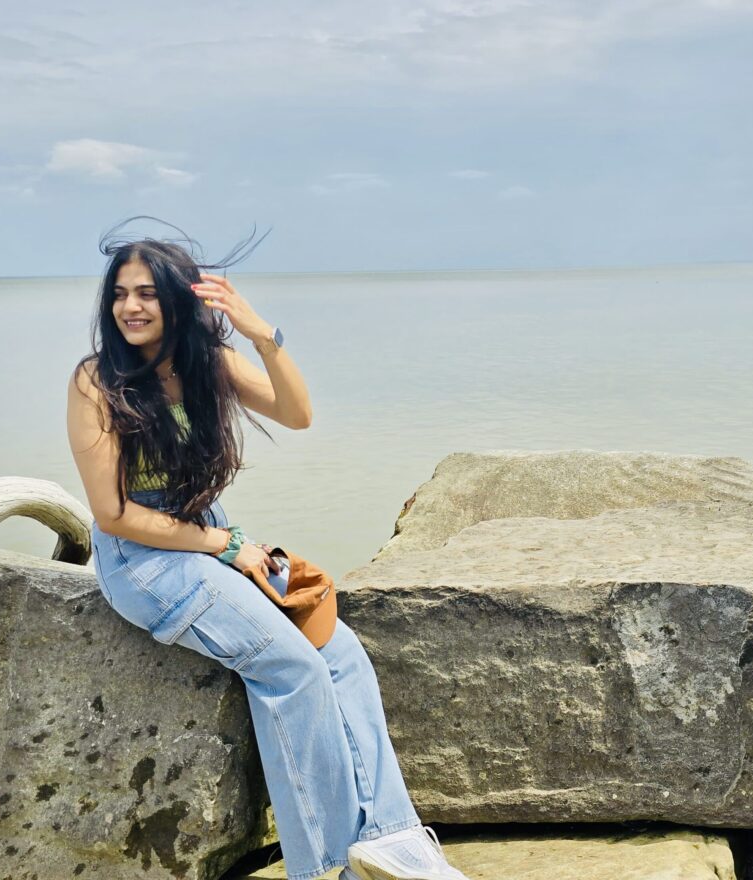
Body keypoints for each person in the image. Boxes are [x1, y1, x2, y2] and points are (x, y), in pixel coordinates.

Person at [66, 226, 470, 880]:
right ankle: (329, 866)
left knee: (340, 651)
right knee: (292, 668)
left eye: (146, 293)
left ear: (178, 299)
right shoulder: (95, 382)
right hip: (145, 559)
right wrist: (226, 546)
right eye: (119, 294)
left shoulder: (208, 363)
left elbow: (297, 412)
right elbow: (114, 513)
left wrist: (262, 335)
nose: (129, 307)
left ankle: (392, 841)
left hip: (209, 536)